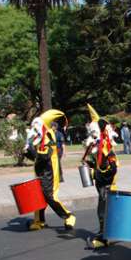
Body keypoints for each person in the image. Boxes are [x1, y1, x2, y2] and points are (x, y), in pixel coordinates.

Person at [24, 110, 76, 231]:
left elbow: (43, 157)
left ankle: (68, 216)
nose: (33, 130)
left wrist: (31, 148)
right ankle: (39, 221)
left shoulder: (47, 137)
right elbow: (36, 158)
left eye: (35, 127)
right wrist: (27, 151)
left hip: (50, 173)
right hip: (40, 172)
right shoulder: (39, 139)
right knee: (39, 196)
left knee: (50, 196)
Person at [83, 104, 118, 249]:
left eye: (94, 132)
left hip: (107, 185)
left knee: (103, 211)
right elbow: (99, 165)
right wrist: (89, 164)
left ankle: (105, 238)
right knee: (103, 211)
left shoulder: (107, 149)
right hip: (101, 184)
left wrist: (95, 173)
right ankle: (107, 235)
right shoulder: (98, 149)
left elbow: (112, 170)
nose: (92, 135)